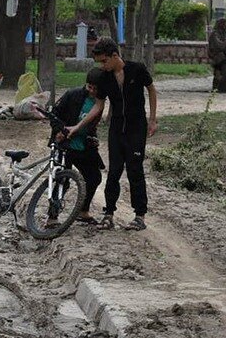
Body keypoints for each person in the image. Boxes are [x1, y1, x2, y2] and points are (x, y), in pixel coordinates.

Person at [66, 37, 157, 231]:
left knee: (135, 170)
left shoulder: (137, 69)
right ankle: (109, 214)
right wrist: (77, 126)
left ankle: (139, 215)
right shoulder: (104, 78)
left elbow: (151, 89)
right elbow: (98, 106)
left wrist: (153, 119)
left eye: (104, 61)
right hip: (116, 129)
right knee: (113, 172)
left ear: (115, 56)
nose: (102, 65)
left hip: (136, 127)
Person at [53, 68, 106, 225]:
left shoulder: (100, 102)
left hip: (84, 146)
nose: (92, 92)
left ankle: (83, 211)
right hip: (65, 145)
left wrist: (93, 138)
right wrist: (59, 131)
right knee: (62, 180)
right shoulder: (73, 95)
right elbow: (55, 114)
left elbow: (92, 126)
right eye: (90, 88)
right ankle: (52, 217)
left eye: (96, 89)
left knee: (94, 177)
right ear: (86, 84)